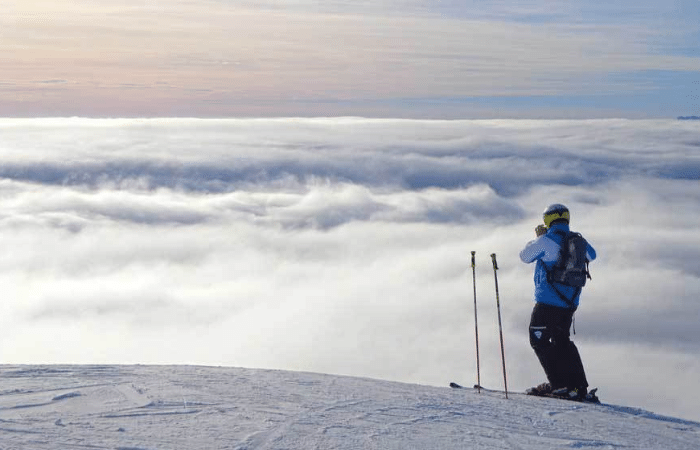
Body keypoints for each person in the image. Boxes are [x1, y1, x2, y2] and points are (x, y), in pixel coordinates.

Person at [520, 204, 596, 401]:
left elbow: (525, 256)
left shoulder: (546, 241)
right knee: (562, 341)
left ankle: (559, 384)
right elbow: (592, 255)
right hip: (570, 303)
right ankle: (577, 385)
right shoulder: (577, 241)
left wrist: (539, 237)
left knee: (538, 340)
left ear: (548, 220)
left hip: (547, 302)